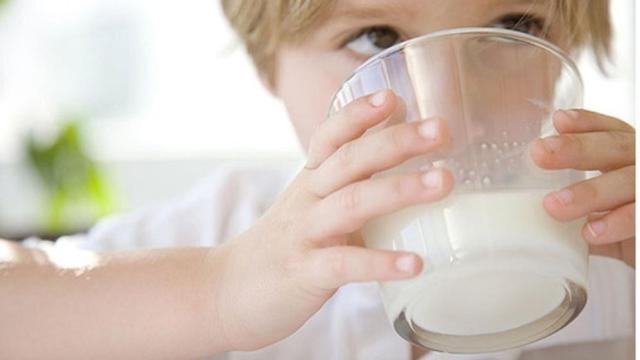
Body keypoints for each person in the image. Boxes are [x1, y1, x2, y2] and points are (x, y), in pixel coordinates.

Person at [0, 0, 634, 359]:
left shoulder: (615, 246)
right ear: (266, 64)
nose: (445, 114)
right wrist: (218, 289)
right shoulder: (230, 229)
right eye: (374, 37)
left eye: (513, 28)